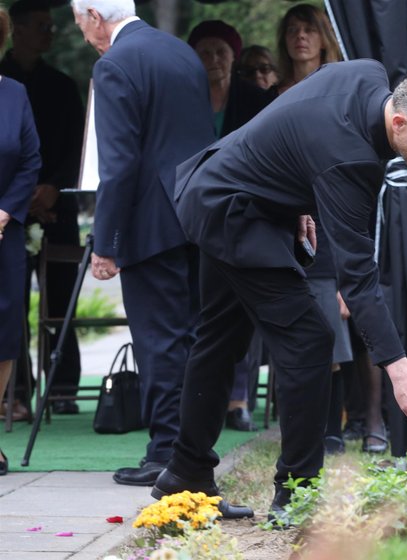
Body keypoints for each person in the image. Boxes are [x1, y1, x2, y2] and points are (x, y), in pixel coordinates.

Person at [150, 60, 407, 526]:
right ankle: (296, 495)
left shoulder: (369, 75)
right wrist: (401, 372)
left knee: (221, 340)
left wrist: (295, 192)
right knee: (309, 341)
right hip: (233, 211)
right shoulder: (350, 159)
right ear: (399, 121)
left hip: (222, 190)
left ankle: (186, 471)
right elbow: (357, 278)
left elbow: (295, 118)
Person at [70, 0, 215, 486]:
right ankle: (193, 450)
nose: (81, 33)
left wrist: (105, 242)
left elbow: (119, 163)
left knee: (159, 342)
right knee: (192, 338)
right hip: (195, 213)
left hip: (150, 225)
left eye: (79, 22)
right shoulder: (180, 52)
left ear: (93, 14)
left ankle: (167, 454)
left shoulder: (114, 64)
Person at [187, 19, 275, 432]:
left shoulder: (255, 98)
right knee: (196, 311)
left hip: (242, 216)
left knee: (238, 311)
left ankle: (238, 400)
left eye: (220, 52)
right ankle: (195, 404)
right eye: (204, 52)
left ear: (233, 56)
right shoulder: (184, 96)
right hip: (191, 215)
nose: (213, 60)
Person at [1, 0, 85, 416]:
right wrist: (18, 202)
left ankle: (63, 385)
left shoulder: (62, 85)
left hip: (57, 204)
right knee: (8, 306)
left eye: (52, 27)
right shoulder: (7, 79)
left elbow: (77, 145)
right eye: (40, 26)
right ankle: (15, 392)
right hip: (7, 211)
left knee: (61, 296)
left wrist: (52, 188)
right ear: (15, 29)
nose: (49, 34)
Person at [0, 2, 41, 474]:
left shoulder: (15, 94)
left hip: (4, 233)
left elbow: (31, 160)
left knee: (5, 333)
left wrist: (5, 211)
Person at [274, 3, 340, 95]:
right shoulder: (271, 97)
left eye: (309, 29)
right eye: (292, 30)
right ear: (285, 41)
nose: (300, 35)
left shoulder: (340, 88)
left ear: (324, 41)